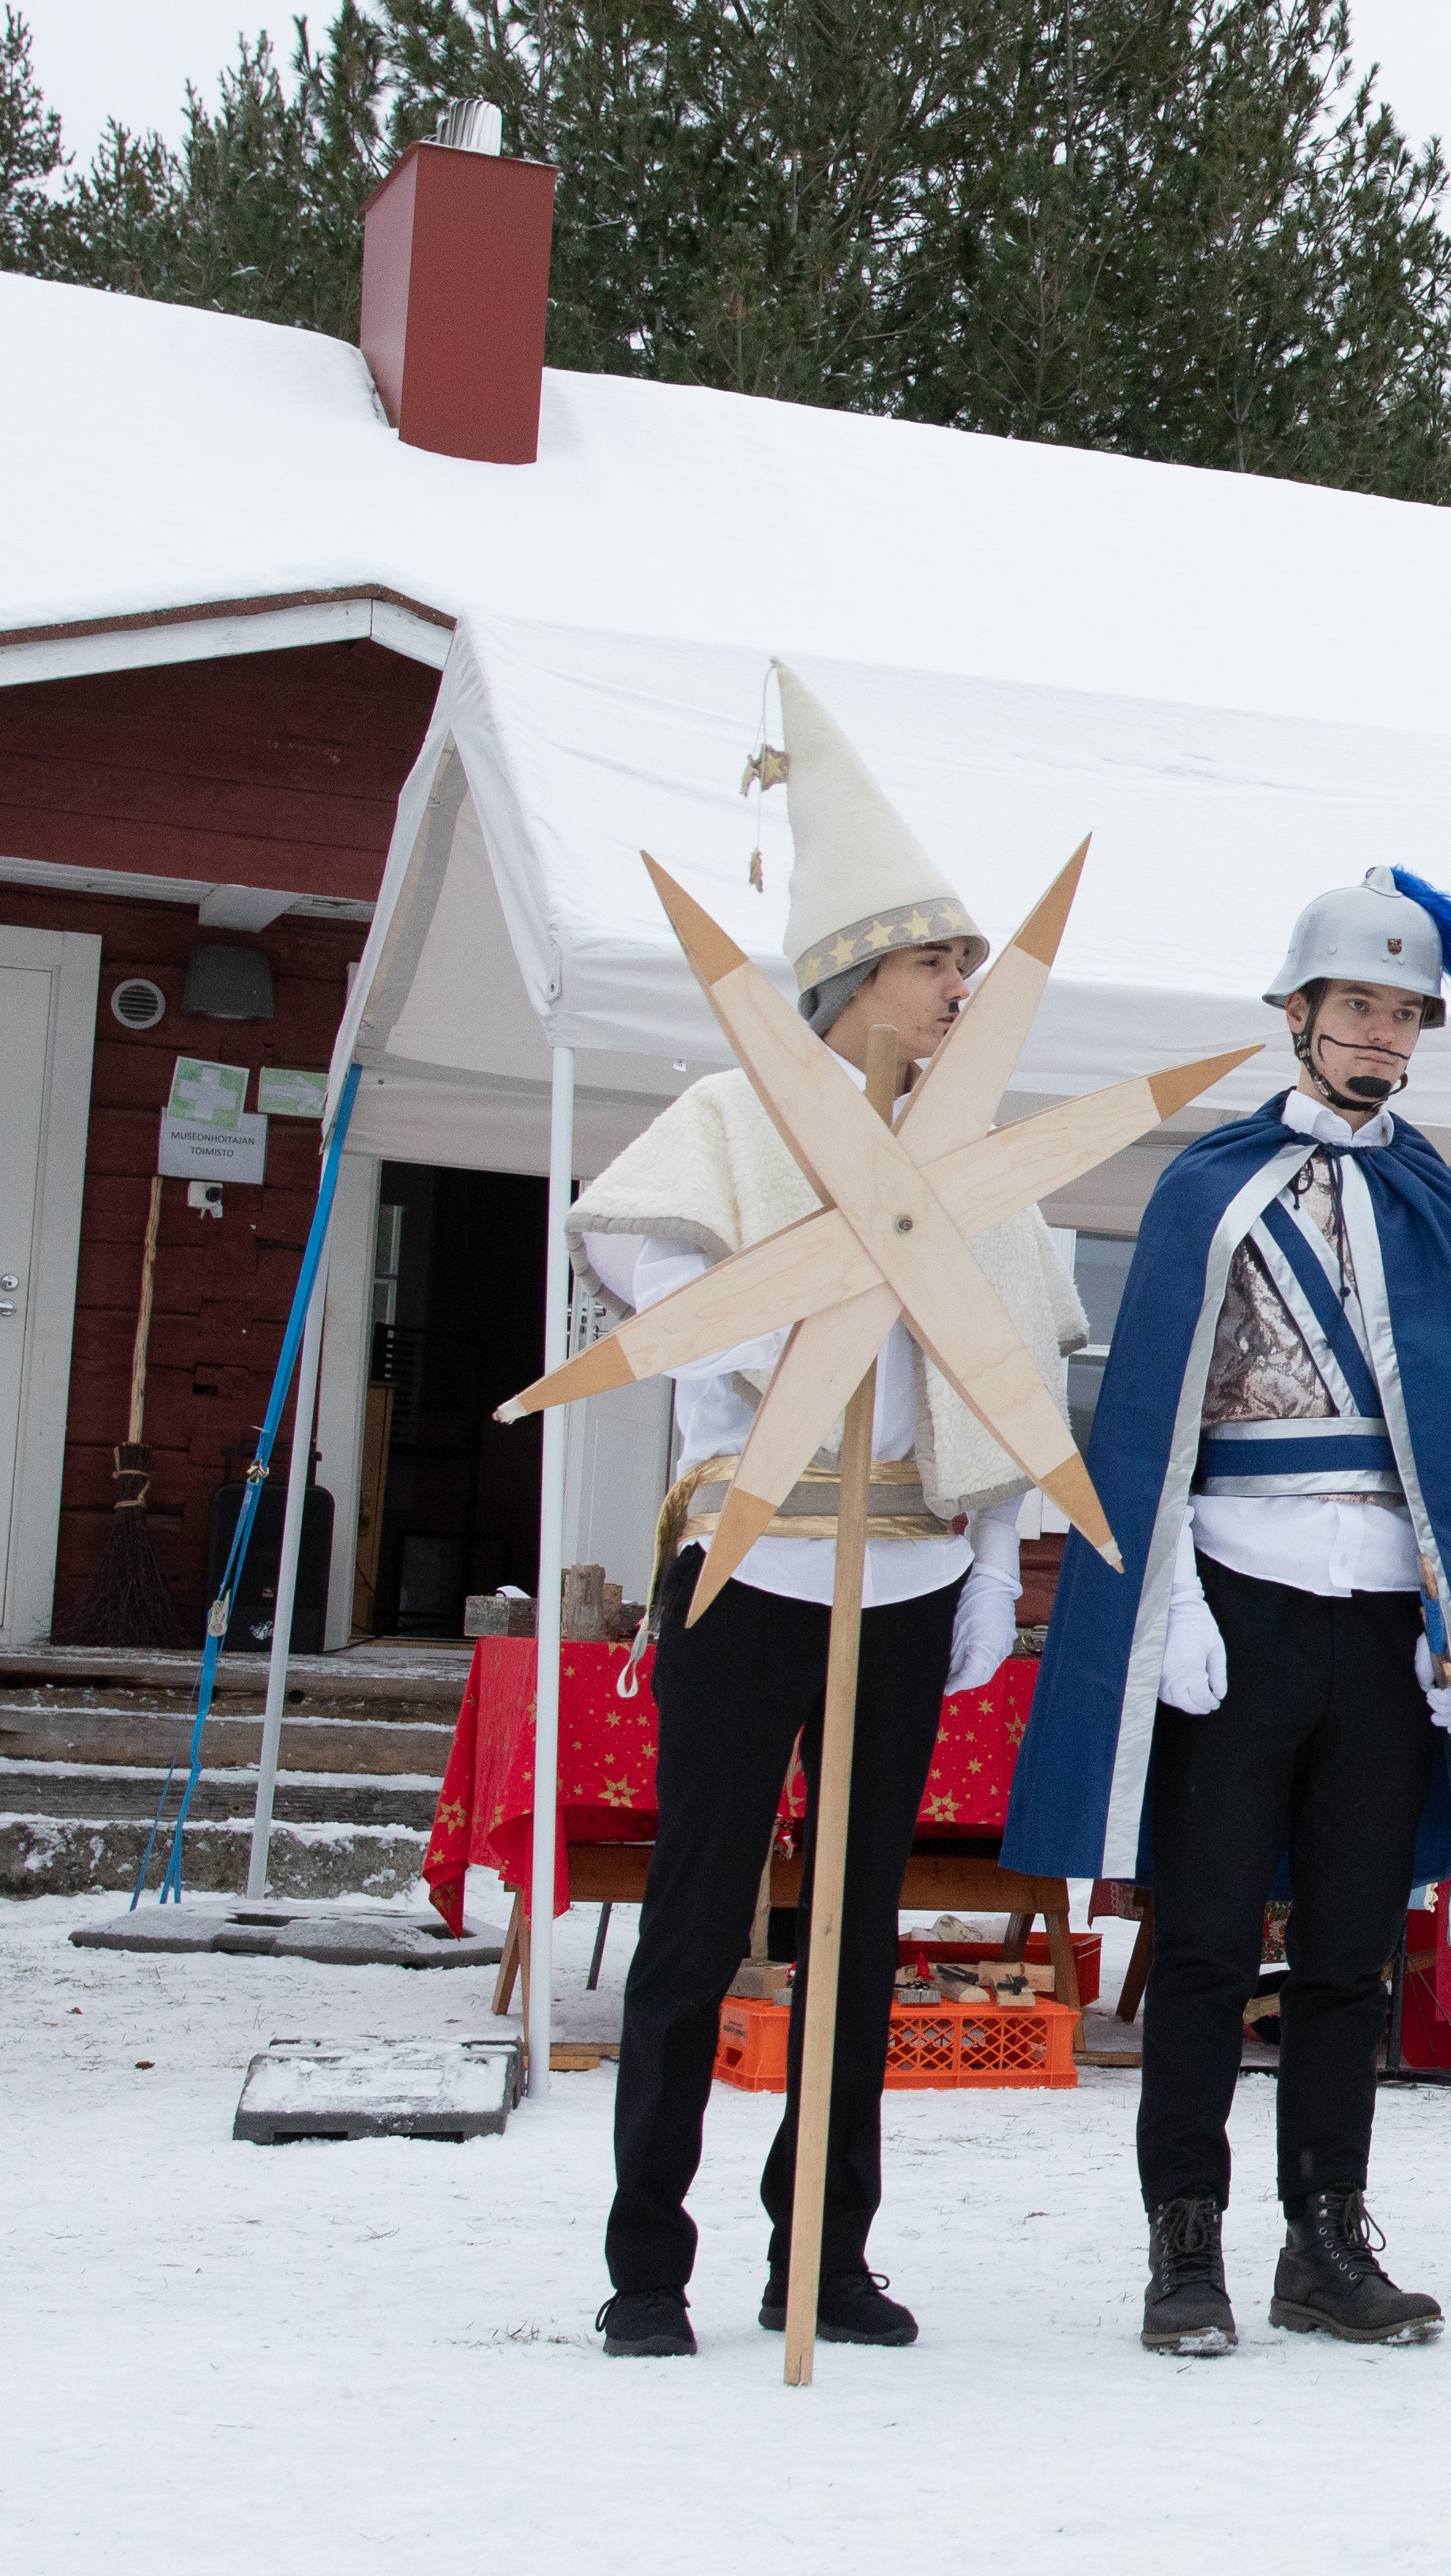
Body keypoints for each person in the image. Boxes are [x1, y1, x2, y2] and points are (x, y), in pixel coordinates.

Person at [579, 668, 1083, 2358]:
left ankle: (827, 2249)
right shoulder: (738, 1113)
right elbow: (645, 1248)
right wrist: (748, 1369)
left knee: (864, 1929)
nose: (961, 992)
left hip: (903, 1568)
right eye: (943, 965)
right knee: (703, 1913)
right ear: (866, 977)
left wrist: (993, 1561)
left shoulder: (969, 1151)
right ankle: (649, 2261)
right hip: (758, 1555)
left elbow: (1009, 1370)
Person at [1004, 867, 1451, 2353]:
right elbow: (1153, 1425)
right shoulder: (1203, 1191)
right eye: (1357, 1004)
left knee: (1353, 1951)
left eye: (1404, 1011)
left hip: (1378, 1623)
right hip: (1232, 1606)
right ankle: (1186, 2243)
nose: (1381, 1032)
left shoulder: (1439, 1207)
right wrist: (1165, 1601)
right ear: (1299, 1015)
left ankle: (1323, 2240)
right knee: (1206, 1946)